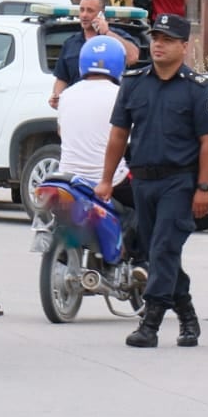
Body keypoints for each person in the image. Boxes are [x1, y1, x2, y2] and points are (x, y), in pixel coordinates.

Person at [97, 13, 208, 349]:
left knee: (164, 247)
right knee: (157, 252)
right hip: (143, 182)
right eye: (155, 38)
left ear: (184, 45)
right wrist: (106, 180)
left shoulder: (197, 89)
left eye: (166, 39)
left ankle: (149, 323)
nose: (158, 45)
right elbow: (119, 134)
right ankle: (188, 315)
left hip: (179, 182)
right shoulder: (134, 82)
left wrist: (204, 187)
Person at [55, 34, 140, 262]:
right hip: (109, 179)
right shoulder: (122, 94)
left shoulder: (66, 95)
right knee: (147, 203)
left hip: (67, 177)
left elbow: (62, 133)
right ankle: (136, 257)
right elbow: (128, 137)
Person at [49, 0, 138, 109]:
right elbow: (62, 78)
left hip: (109, 109)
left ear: (101, 14)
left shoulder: (115, 37)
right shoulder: (71, 43)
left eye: (90, 11)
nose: (84, 15)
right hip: (77, 109)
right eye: (82, 10)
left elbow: (133, 57)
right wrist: (57, 97)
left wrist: (107, 33)